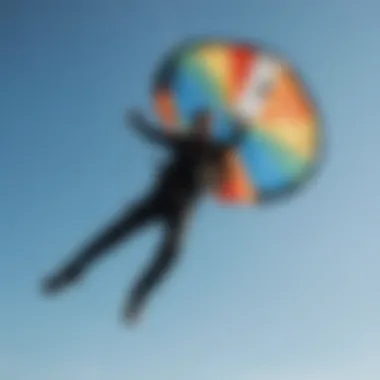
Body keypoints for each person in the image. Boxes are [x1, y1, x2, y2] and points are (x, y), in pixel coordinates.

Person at [41, 109, 246, 323]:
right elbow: (155, 134)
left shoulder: (216, 150)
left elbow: (234, 142)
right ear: (194, 126)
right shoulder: (184, 141)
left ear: (211, 127)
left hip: (183, 209)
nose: (203, 127)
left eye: (207, 124)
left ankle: (137, 296)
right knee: (111, 235)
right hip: (157, 200)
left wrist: (242, 126)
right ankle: (69, 273)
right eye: (200, 124)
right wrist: (139, 123)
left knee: (171, 254)